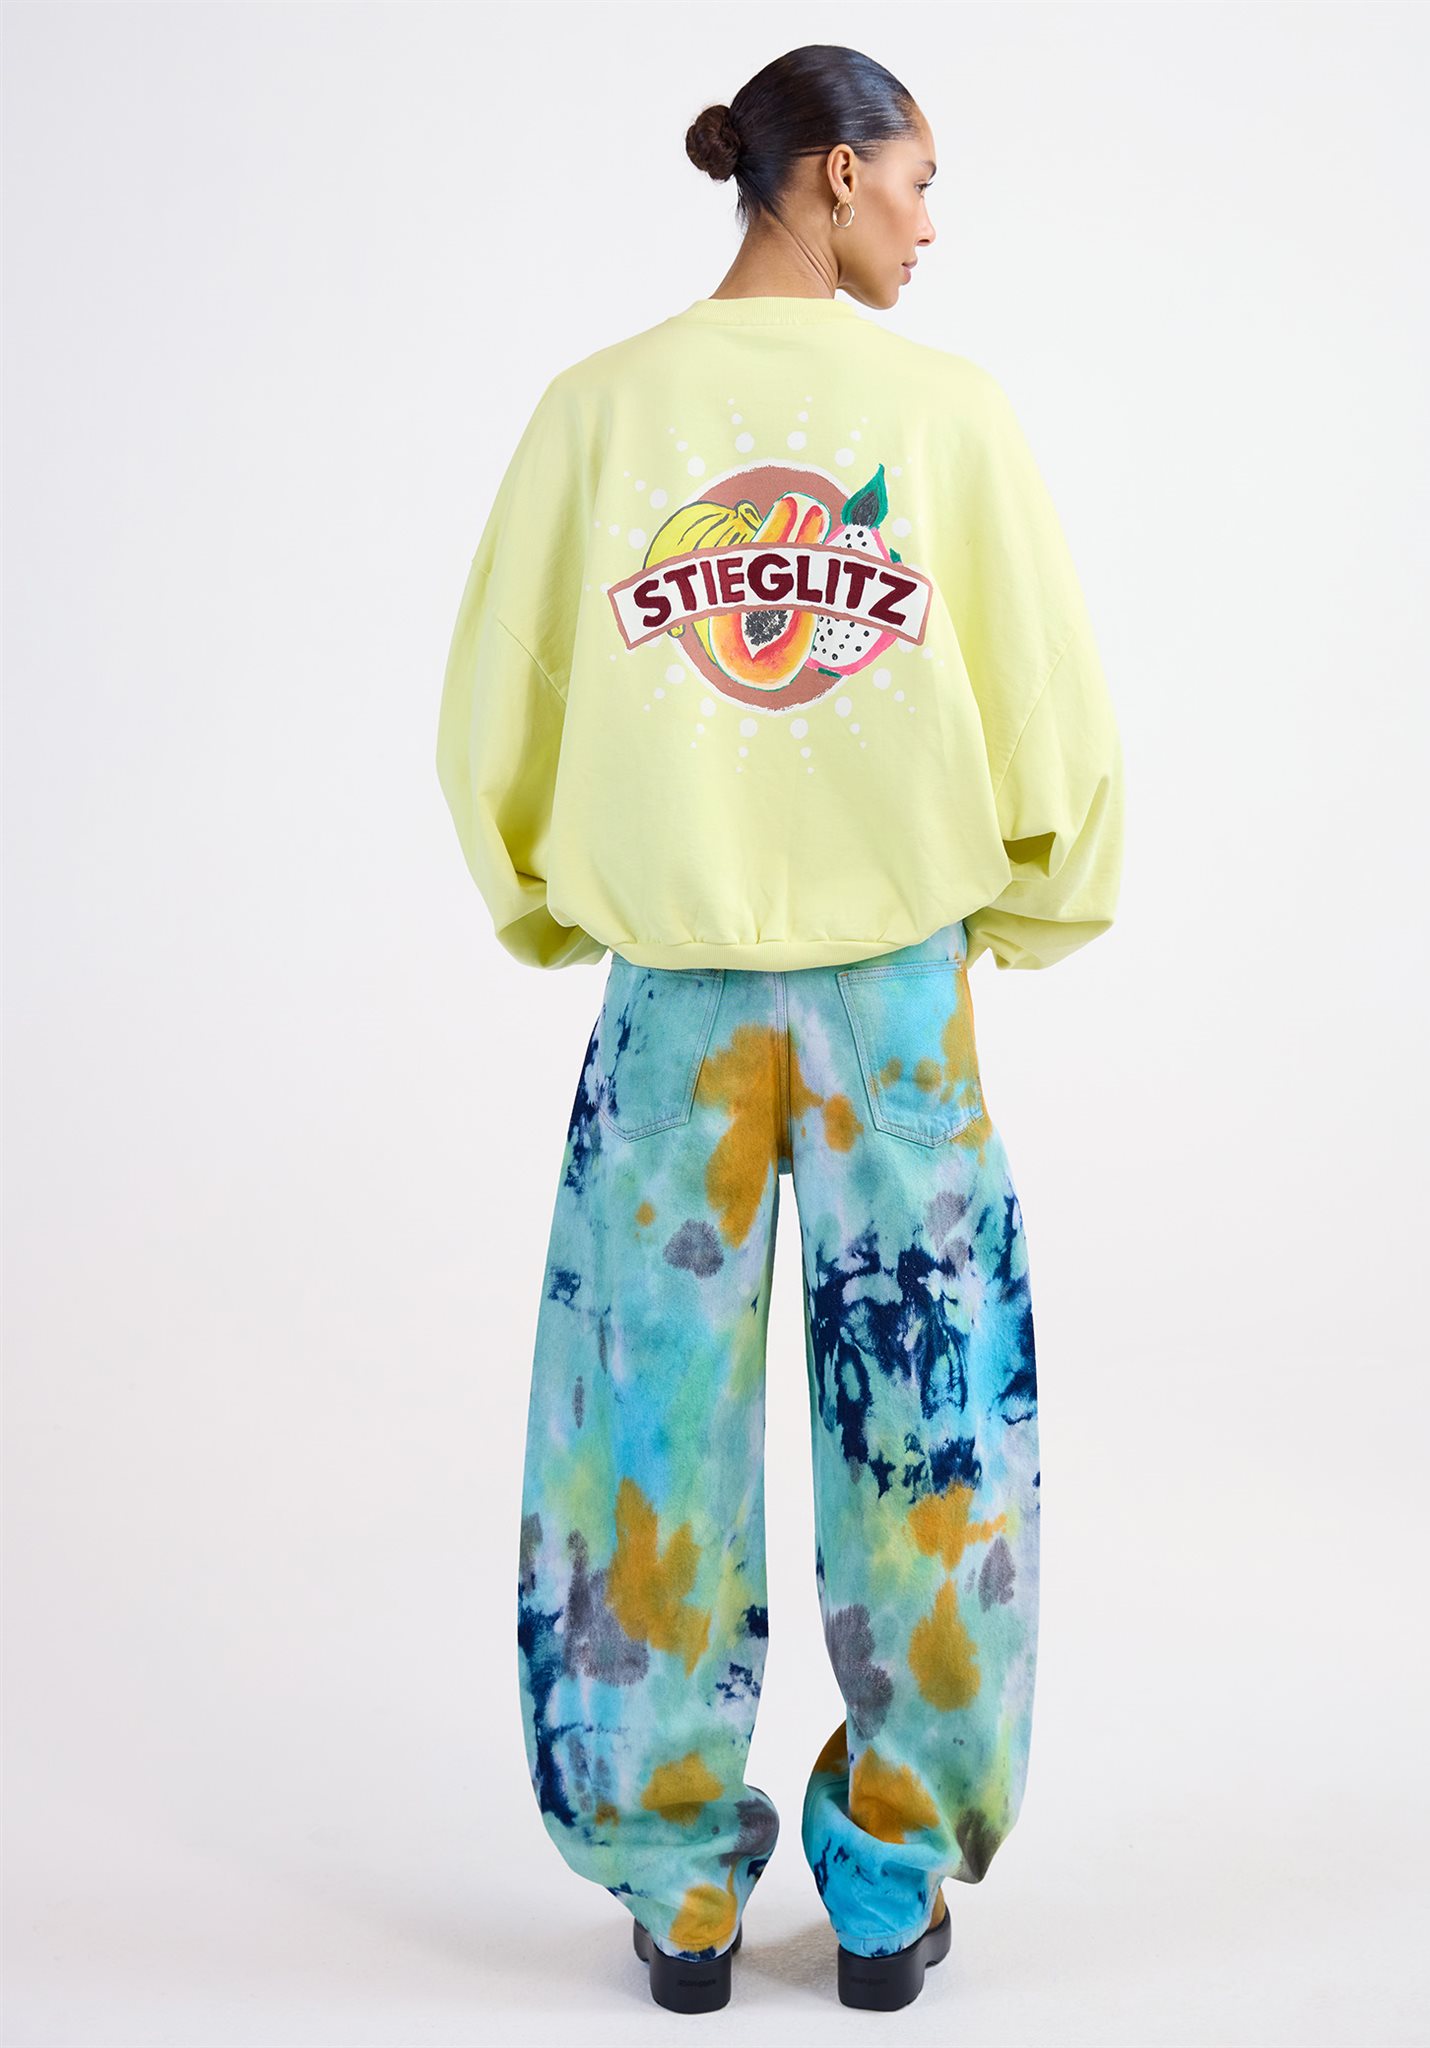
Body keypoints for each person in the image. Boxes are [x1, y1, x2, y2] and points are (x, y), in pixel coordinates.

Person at [434, 41, 1126, 2016]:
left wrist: (557, 899)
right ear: (830, 173)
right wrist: (1021, 904)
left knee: (637, 1442)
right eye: (916, 179)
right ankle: (890, 1883)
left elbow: (496, 711)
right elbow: (1053, 712)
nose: (930, 220)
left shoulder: (597, 413)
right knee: (937, 1436)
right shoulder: (950, 416)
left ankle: (675, 1889)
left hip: (672, 1012)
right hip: (897, 1007)